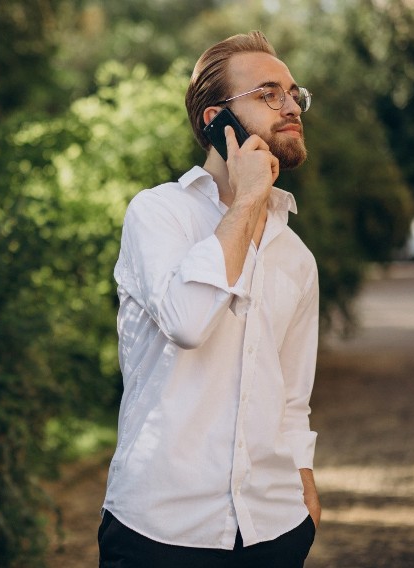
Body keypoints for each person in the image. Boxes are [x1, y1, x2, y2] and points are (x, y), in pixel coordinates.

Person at [98, 31, 321, 568]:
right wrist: (248, 198)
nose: (290, 106)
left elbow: (291, 395)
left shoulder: (297, 256)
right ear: (214, 120)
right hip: (160, 529)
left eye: (294, 93)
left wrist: (305, 489)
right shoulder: (157, 215)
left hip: (275, 528)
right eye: (268, 93)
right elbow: (189, 322)